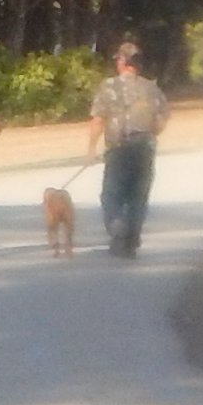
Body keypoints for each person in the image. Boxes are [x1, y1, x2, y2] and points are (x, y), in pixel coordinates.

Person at [84, 36, 168, 257]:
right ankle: (132, 239)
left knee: (112, 195)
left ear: (122, 61)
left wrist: (91, 149)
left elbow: (98, 120)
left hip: (118, 148)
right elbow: (160, 122)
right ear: (137, 63)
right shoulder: (151, 88)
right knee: (138, 196)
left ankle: (117, 228)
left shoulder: (108, 87)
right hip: (144, 148)